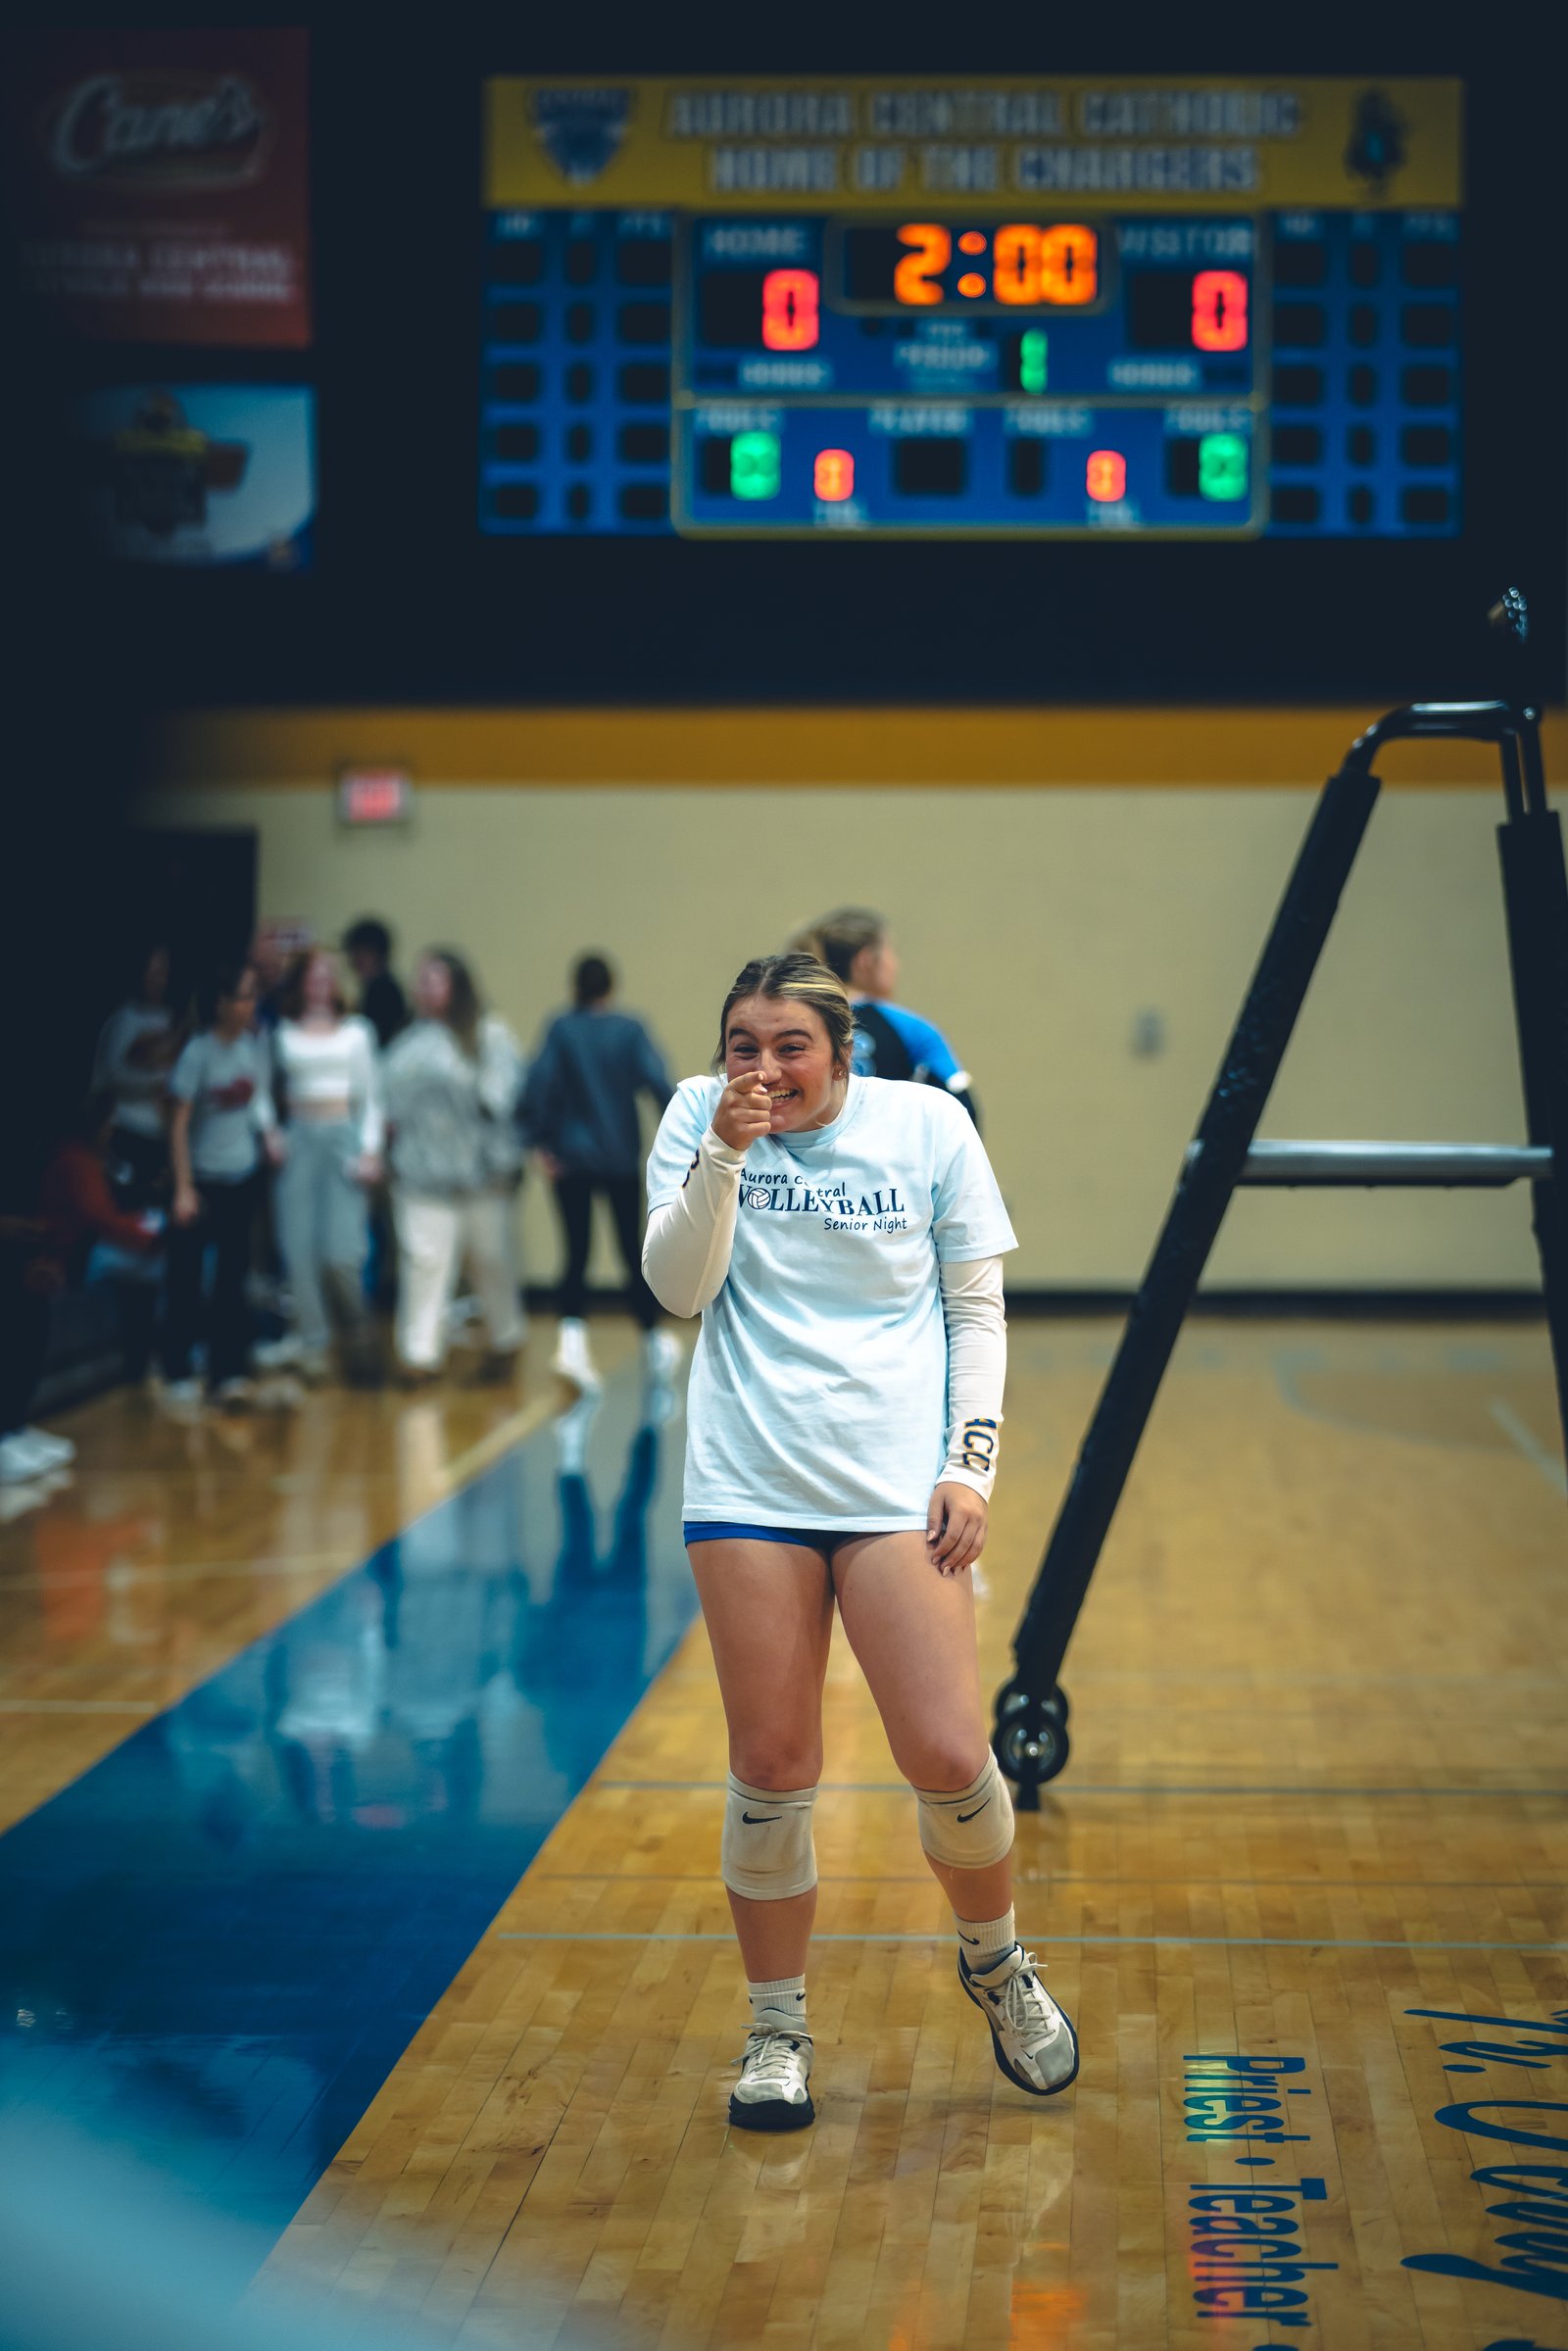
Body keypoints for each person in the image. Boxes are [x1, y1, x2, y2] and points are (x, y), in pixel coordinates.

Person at [642, 951, 1076, 2133]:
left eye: (789, 1044)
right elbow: (680, 1288)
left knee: (944, 1748)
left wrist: (966, 1464)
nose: (765, 1065)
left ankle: (997, 1963)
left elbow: (975, 1307)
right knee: (773, 1764)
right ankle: (775, 2028)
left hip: (894, 1486)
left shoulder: (925, 1124)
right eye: (744, 1042)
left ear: (840, 1048)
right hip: (748, 1481)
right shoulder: (695, 1116)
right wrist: (724, 1151)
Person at [519, 953, 677, 1392]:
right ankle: (653, 1340)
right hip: (619, 1158)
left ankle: (571, 1346)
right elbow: (659, 1084)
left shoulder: (560, 1029)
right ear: (611, 987)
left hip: (570, 1160)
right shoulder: (630, 1030)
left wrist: (539, 1144)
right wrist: (683, 1139)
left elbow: (538, 1085)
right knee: (632, 1251)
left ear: (575, 986)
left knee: (575, 1254)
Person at [0, 1093, 163, 1485]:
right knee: (24, 1322)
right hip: (41, 1259)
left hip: (44, 1258)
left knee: (32, 1322)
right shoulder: (74, 1160)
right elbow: (98, 1216)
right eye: (109, 1123)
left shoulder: (82, 1159)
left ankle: (15, 1428)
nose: (113, 1131)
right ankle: (6, 1433)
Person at [381, 949, 525, 1381]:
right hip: (423, 1179)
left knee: (490, 1261)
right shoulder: (406, 1044)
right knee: (423, 1263)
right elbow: (386, 1104)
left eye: (434, 978)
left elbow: (505, 1099)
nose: (424, 987)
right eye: (419, 978)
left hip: (481, 1178)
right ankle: (418, 1356)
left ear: (456, 985)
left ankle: (506, 1340)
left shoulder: (489, 1035)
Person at [164, 960, 282, 1407]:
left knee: (233, 1278)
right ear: (222, 1003)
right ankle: (177, 1367)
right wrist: (183, 1187)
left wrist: (270, 1134)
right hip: (202, 1178)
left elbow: (260, 1099)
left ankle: (227, 1370)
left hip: (241, 1175)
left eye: (254, 995)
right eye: (244, 996)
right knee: (188, 1277)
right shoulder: (198, 1052)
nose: (252, 1005)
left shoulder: (254, 1045)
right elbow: (178, 1124)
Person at [271, 949, 383, 1383]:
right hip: (299, 1138)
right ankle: (313, 1343)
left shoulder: (357, 1032)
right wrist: (270, 1131)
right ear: (300, 980)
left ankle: (357, 1333)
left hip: (343, 1138)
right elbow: (266, 1090)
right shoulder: (282, 1033)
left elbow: (371, 1097)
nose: (321, 982)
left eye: (329, 975)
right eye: (313, 974)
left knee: (342, 1253)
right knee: (298, 1248)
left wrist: (370, 1149)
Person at [798, 907, 978, 1123]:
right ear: (865, 961)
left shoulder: (797, 1023)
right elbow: (963, 1108)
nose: (895, 965)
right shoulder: (910, 1028)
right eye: (891, 953)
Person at [91, 942, 183, 1208]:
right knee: (128, 1206)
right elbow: (112, 1075)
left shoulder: (170, 1019)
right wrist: (160, 1083)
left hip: (161, 1132)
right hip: (127, 1130)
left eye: (163, 971)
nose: (158, 979)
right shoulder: (124, 1019)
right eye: (152, 971)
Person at [342, 917, 409, 1051]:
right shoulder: (379, 987)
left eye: (360, 954)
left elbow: (376, 1041)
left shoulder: (383, 990)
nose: (354, 961)